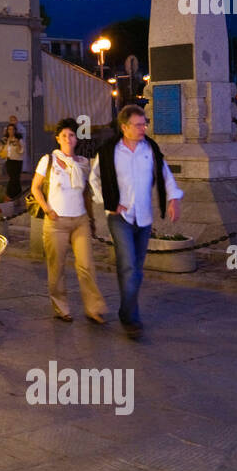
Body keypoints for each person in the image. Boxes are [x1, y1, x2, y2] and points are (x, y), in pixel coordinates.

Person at [89, 104, 184, 338]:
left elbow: (164, 174)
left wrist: (173, 198)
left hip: (144, 217)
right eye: (138, 124)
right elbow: (94, 179)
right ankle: (131, 319)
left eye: (145, 124)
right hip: (119, 217)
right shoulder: (109, 150)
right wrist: (108, 202)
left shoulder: (150, 148)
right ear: (124, 127)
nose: (143, 128)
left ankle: (125, 310)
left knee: (135, 268)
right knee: (129, 266)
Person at [32, 118, 107, 325]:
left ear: (76, 138)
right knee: (56, 267)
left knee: (86, 265)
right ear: (58, 139)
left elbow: (87, 193)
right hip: (57, 222)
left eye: (71, 135)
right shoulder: (48, 160)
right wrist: (47, 209)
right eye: (64, 135)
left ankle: (94, 308)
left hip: (80, 219)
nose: (68, 139)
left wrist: (91, 219)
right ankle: (61, 307)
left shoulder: (83, 163)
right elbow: (35, 187)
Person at [0, 122, 25, 200]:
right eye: (9, 129)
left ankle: (10, 194)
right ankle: (16, 194)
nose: (11, 131)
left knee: (16, 177)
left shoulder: (19, 139)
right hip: (9, 160)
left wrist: (18, 144)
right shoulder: (5, 139)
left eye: (12, 129)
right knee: (12, 177)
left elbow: (22, 150)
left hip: (17, 160)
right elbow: (0, 149)